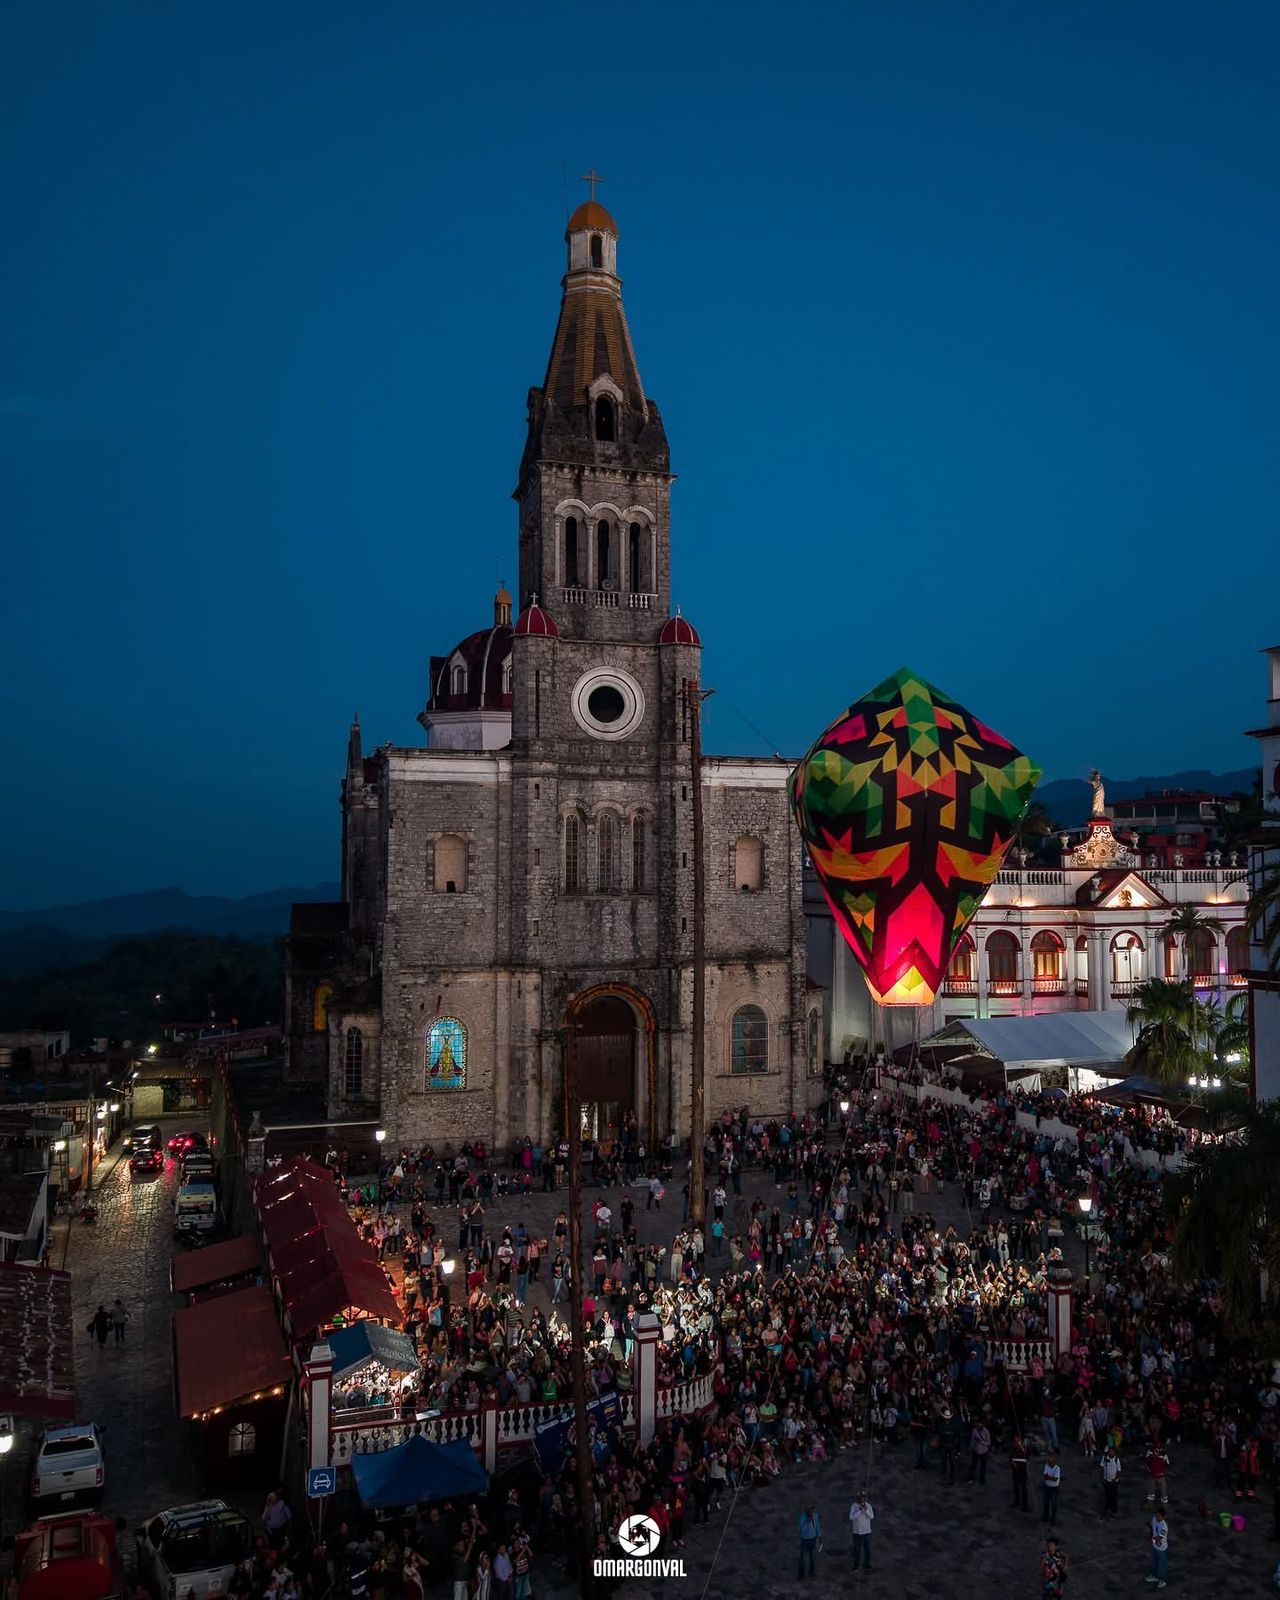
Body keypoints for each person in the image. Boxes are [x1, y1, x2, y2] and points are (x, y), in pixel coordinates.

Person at [848, 1494, 873, 1571]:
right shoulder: (854, 1506)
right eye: (860, 1497)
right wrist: (858, 1510)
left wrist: (866, 1510)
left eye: (863, 1497)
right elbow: (851, 1517)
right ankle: (856, 1565)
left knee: (867, 1550)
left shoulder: (868, 1505)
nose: (862, 1499)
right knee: (857, 1550)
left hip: (867, 1532)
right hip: (857, 1532)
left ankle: (867, 1565)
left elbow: (871, 1516)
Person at [797, 1504, 821, 1579]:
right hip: (805, 1540)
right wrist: (807, 1522)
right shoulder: (802, 1517)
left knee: (813, 1558)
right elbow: (801, 1529)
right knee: (802, 1559)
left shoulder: (815, 1516)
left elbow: (817, 1526)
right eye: (809, 1510)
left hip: (813, 1539)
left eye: (811, 1509)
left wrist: (819, 1536)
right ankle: (801, 1575)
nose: (810, 1511)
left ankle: (812, 1573)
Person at [1147, 1509, 1168, 1588]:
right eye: (1156, 1515)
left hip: (1161, 1549)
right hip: (1154, 1546)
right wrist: (1150, 1537)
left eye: (1159, 1516)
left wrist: (1151, 1541)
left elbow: (1159, 1538)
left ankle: (1162, 1580)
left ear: (1163, 1517)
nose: (1157, 1517)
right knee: (1154, 1562)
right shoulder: (1154, 1519)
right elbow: (1151, 1527)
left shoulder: (1164, 1527)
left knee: (1161, 1565)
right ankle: (1154, 1576)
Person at [1101, 1445, 1122, 1515]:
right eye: (1109, 1451)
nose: (1110, 1453)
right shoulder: (1104, 1458)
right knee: (1107, 1494)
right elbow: (1102, 1467)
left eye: (1112, 1452)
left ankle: (1114, 1509)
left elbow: (1119, 1470)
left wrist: (1115, 1479)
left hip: (1114, 1481)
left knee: (1113, 1495)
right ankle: (1107, 1506)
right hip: (1106, 1480)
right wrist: (1103, 1478)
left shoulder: (1117, 1460)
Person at [1010, 1435, 1030, 1512]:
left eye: (1018, 1441)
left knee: (1024, 1489)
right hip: (1015, 1471)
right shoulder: (1013, 1449)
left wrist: (1022, 1449)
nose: (1016, 1443)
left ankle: (1025, 1505)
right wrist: (1012, 1463)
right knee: (1016, 1488)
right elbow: (1010, 1459)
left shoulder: (1025, 1449)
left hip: (1022, 1472)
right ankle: (1017, 1501)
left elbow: (1027, 1458)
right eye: (1015, 1441)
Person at [1042, 1454, 1061, 1525]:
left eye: (1050, 1461)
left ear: (1054, 1462)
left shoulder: (1057, 1468)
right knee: (1045, 1503)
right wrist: (1051, 1477)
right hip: (1047, 1487)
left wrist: (1048, 1477)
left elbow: (1055, 1479)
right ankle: (1046, 1516)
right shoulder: (1046, 1466)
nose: (1049, 1462)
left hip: (1054, 1488)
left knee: (1054, 1504)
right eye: (1049, 1461)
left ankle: (1053, 1519)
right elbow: (1045, 1476)